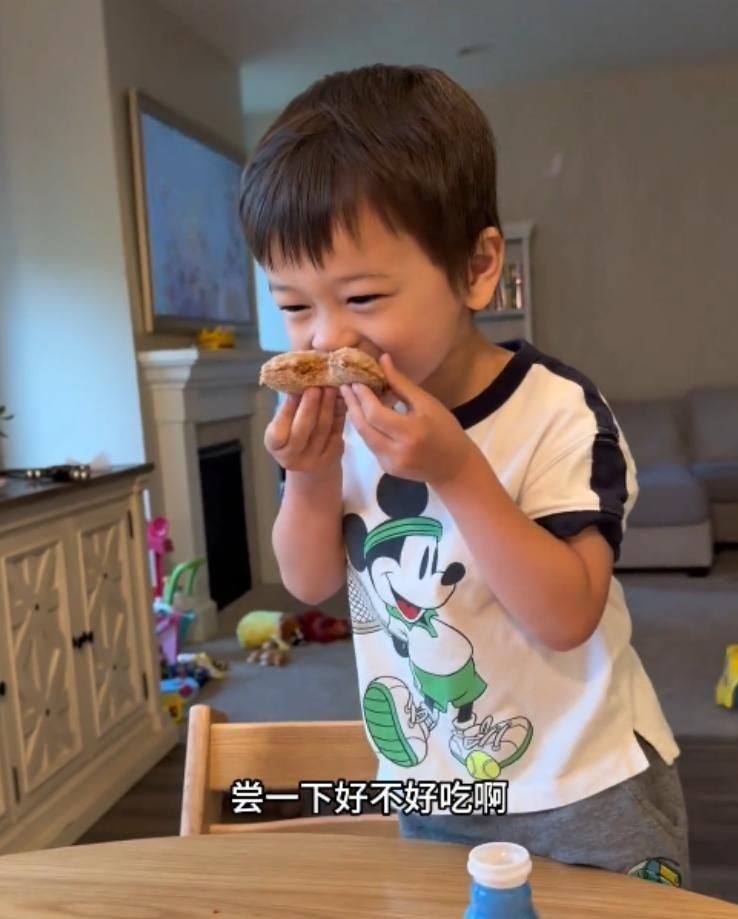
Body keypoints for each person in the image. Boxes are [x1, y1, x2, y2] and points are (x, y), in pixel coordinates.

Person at [238, 63, 689, 887]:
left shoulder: (556, 411)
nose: (326, 338)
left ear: (478, 269)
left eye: (363, 297)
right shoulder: (339, 426)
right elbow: (308, 581)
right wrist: (309, 476)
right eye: (295, 305)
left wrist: (456, 469)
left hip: (585, 784)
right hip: (435, 782)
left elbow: (567, 614)